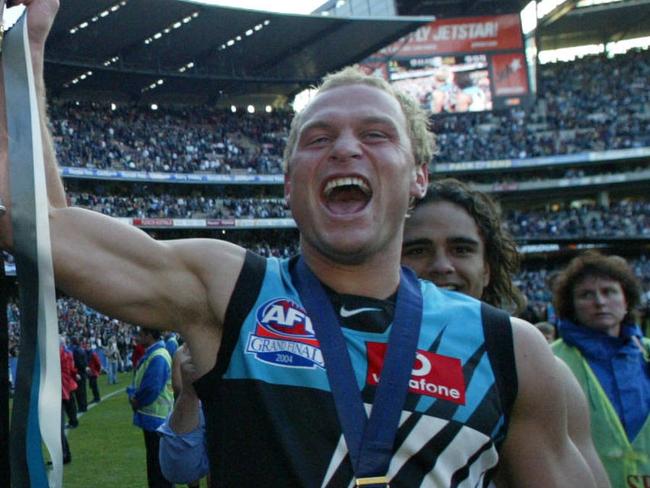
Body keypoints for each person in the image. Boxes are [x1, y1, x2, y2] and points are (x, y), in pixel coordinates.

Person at [0, 1, 596, 485]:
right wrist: (26, 52)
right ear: (289, 185)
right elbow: (43, 225)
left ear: (418, 175)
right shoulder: (231, 291)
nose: (344, 149)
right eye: (318, 138)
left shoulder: (509, 351)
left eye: (374, 133)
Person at [401, 178, 609, 487]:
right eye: (418, 249)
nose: (442, 265)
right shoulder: (355, 355)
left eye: (461, 249)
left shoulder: (541, 374)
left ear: (486, 269)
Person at [551, 252, 650, 486]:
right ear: (572, 306)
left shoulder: (646, 353)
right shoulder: (550, 359)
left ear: (627, 300)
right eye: (586, 295)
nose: (600, 302)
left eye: (609, 291)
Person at [127, 327, 174, 488]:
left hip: (157, 419)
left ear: (149, 335)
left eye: (141, 335)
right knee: (156, 464)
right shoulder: (156, 353)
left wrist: (136, 401)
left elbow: (151, 387)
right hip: (155, 418)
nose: (138, 338)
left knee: (157, 467)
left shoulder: (158, 356)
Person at [158, 344, 207, 487]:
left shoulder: (181, 352)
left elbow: (177, 387)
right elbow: (178, 387)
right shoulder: (182, 353)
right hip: (196, 409)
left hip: (194, 409)